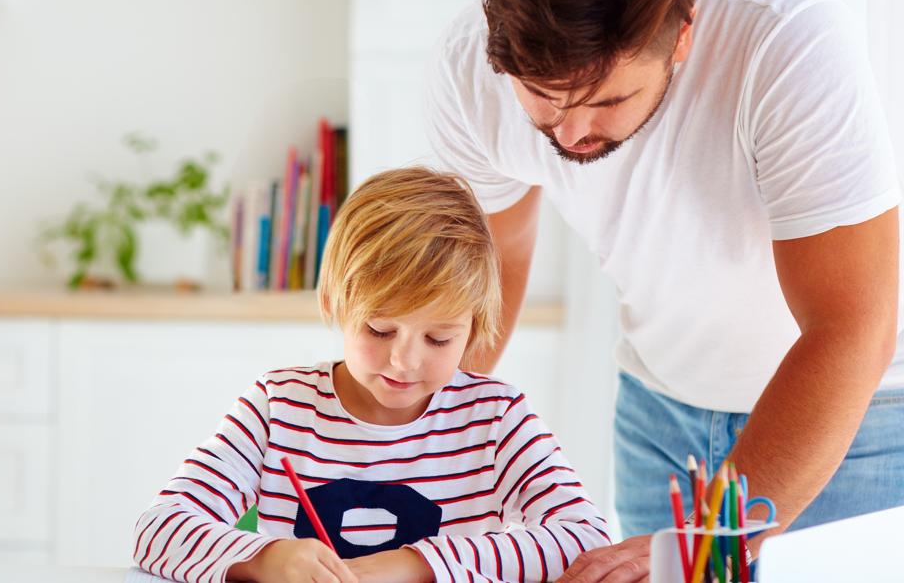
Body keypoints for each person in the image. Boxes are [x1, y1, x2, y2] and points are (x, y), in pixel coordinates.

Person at [425, 0, 904, 580]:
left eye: (610, 100)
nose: (572, 134)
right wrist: (415, 438)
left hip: (853, 420)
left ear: (683, 34)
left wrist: (707, 539)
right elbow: (489, 266)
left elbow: (852, 324)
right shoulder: (469, 68)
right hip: (661, 415)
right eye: (544, 101)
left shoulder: (786, 38)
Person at [133, 167, 611, 583]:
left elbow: (585, 539)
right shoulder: (277, 406)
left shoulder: (496, 418)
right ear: (333, 304)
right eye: (380, 330)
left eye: (438, 339)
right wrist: (266, 559)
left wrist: (419, 564)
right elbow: (158, 529)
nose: (404, 360)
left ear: (475, 328)